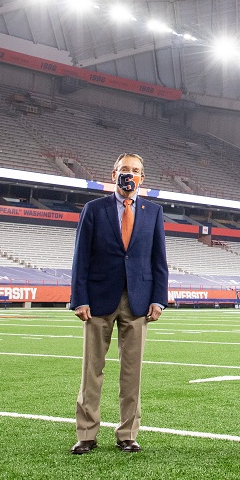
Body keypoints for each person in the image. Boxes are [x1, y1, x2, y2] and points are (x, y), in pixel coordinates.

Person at [69, 152, 168, 455]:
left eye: (136, 170)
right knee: (92, 370)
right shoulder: (93, 209)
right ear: (113, 175)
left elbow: (159, 259)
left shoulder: (153, 211)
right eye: (125, 170)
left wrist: (158, 298)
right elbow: (80, 257)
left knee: (132, 371)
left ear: (142, 177)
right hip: (99, 299)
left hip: (138, 299)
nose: (130, 175)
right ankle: (86, 434)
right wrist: (79, 298)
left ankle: (128, 433)